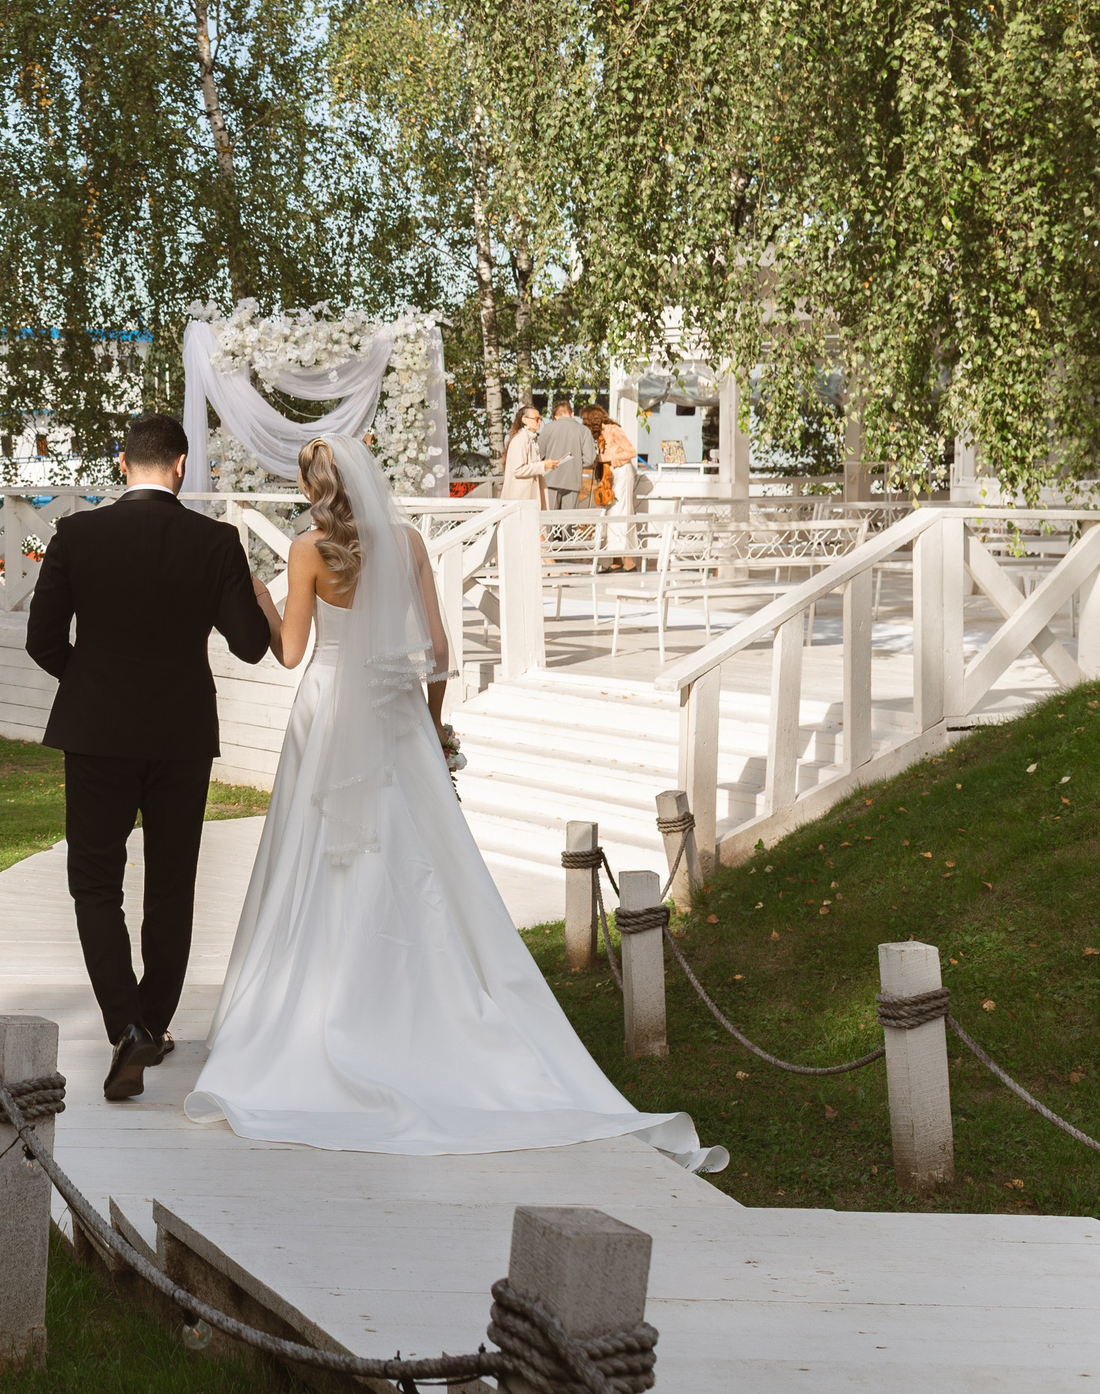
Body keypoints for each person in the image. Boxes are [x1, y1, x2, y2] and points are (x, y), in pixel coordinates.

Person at [185, 435, 723, 1171]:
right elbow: (438, 651)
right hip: (396, 714)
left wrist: (254, 595)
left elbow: (288, 654)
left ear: (314, 489)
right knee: (415, 860)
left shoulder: (307, 551)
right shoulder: (406, 541)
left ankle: (315, 1010)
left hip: (328, 710)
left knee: (317, 864)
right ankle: (426, 1007)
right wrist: (431, 727)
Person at [24, 412, 273, 1102]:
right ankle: (152, 1023)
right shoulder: (214, 540)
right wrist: (252, 587)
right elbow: (251, 644)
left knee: (95, 883)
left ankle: (126, 1025)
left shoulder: (77, 533)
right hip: (182, 733)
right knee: (171, 885)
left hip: (97, 731)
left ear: (123, 464)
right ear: (182, 465)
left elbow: (43, 639)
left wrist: (92, 681)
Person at [584, 404, 639, 570]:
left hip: (621, 472)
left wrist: (607, 458)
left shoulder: (613, 430)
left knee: (620, 512)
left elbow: (631, 451)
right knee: (612, 513)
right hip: (611, 475)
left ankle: (627, 562)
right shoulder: (601, 433)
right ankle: (618, 561)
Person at [533, 400, 596, 511]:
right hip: (573, 480)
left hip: (550, 479)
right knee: (568, 521)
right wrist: (576, 464)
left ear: (555, 416)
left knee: (549, 519)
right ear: (572, 414)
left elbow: (538, 454)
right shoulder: (584, 431)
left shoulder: (548, 428)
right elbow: (589, 459)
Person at [496, 405, 545, 501]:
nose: (539, 422)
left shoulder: (530, 438)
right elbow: (518, 470)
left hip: (528, 494)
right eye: (536, 419)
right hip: (521, 495)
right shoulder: (521, 439)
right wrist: (543, 465)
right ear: (524, 419)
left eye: (540, 419)